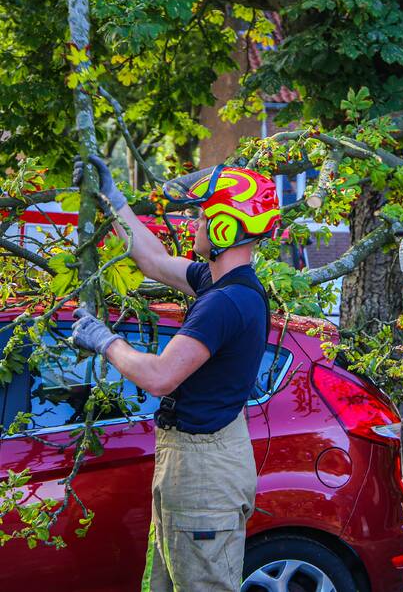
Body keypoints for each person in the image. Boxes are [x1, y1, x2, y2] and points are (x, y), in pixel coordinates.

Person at [69, 157, 278, 591]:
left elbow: (162, 376)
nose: (194, 223)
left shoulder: (225, 304)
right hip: (193, 461)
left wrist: (105, 341)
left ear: (224, 227)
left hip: (205, 472)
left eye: (203, 215)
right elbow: (154, 262)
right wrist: (113, 197)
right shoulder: (221, 285)